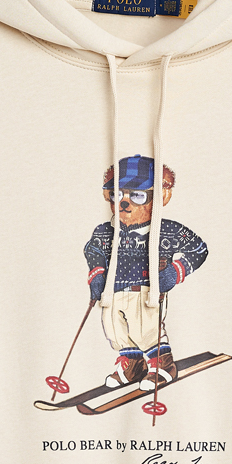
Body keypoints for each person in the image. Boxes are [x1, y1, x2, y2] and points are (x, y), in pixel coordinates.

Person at [84, 155, 208, 390]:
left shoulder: (166, 231)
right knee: (113, 327)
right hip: (112, 289)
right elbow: (93, 250)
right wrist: (97, 273)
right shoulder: (105, 231)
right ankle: (132, 365)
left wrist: (175, 272)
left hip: (146, 290)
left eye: (138, 196)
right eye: (117, 194)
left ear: (160, 197)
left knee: (144, 329)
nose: (124, 203)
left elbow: (198, 249)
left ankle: (163, 364)